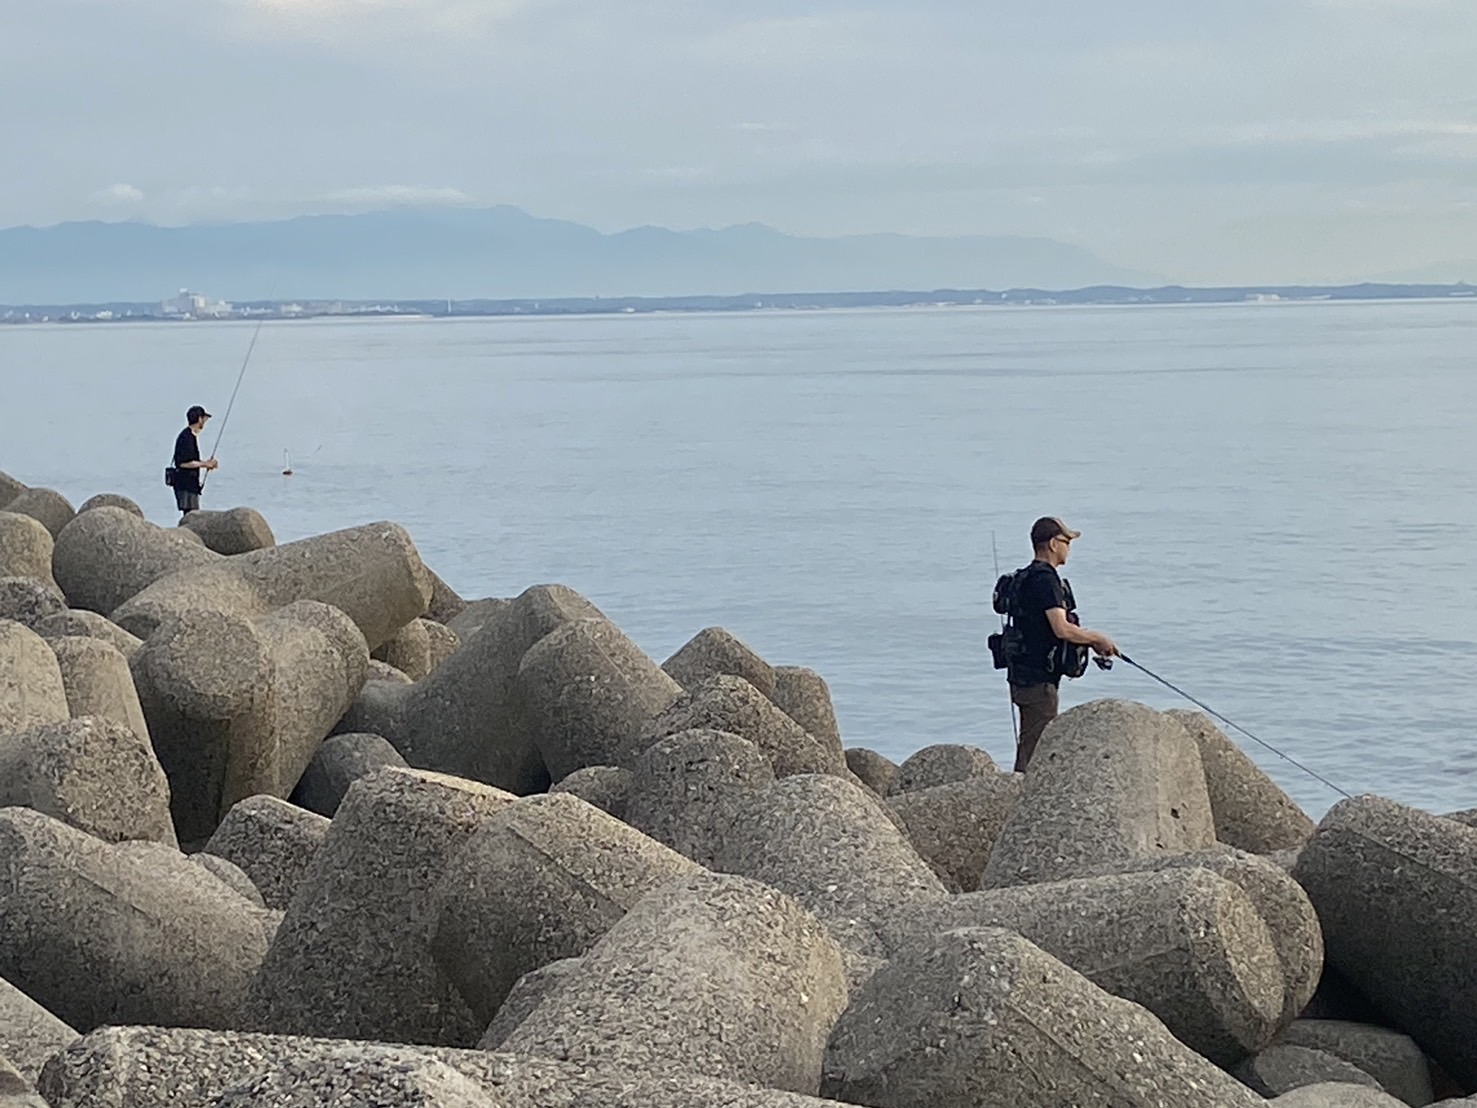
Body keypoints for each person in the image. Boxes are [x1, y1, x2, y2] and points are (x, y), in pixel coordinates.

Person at [1003, 516, 1118, 772]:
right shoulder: (1046, 580)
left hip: (1022, 673)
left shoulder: (1025, 577)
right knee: (1037, 744)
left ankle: (1019, 790)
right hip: (1037, 679)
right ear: (1054, 544)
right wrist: (1098, 639)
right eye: (1067, 541)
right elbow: (1061, 628)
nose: (1069, 547)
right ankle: (1025, 795)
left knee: (1030, 738)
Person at [171, 405, 218, 517]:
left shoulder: (189, 436)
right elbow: (184, 463)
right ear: (199, 419)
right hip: (185, 485)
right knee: (191, 516)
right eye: (204, 419)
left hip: (190, 485)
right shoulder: (186, 438)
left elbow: (191, 461)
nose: (205, 422)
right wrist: (206, 464)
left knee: (191, 515)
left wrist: (205, 464)